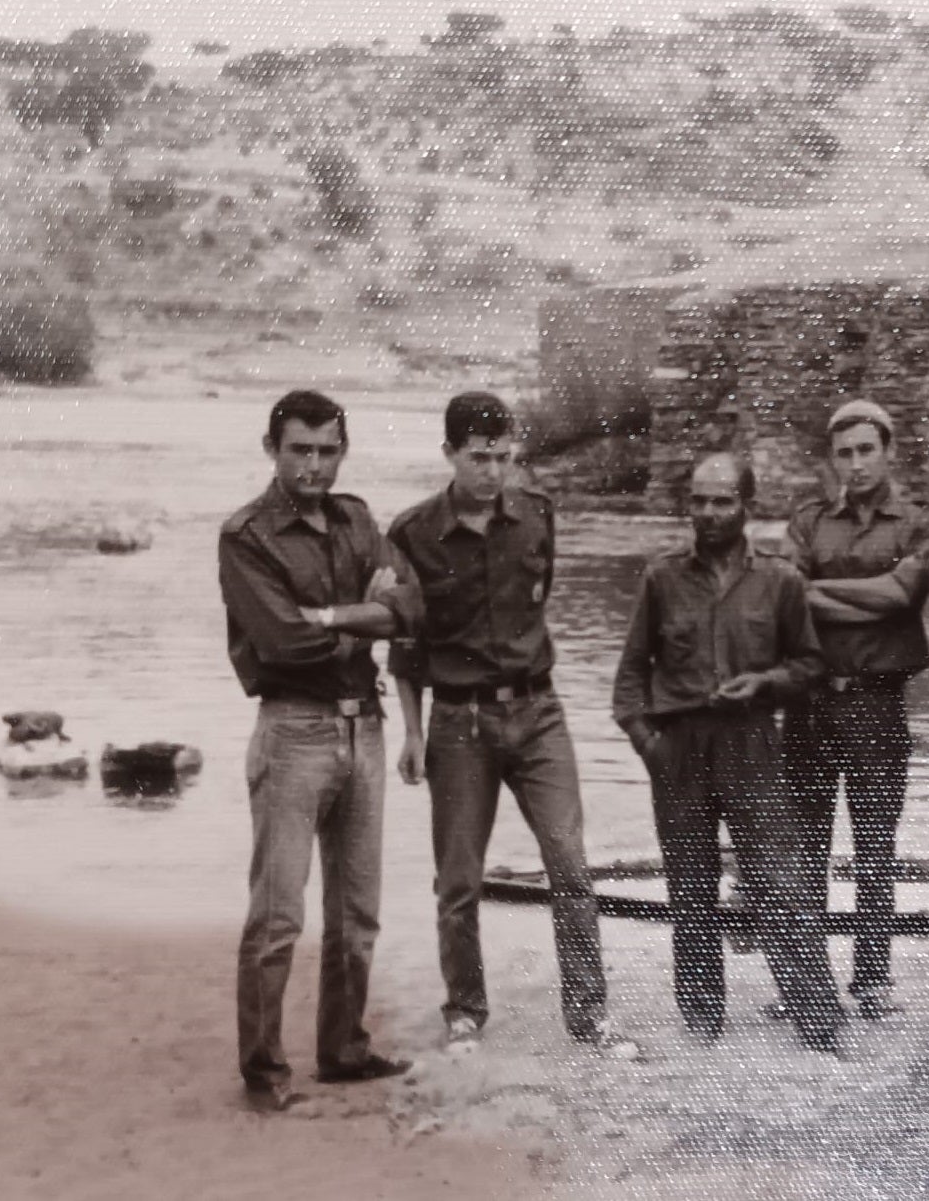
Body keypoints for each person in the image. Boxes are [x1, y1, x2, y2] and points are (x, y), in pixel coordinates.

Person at [386, 392, 638, 1059]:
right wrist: (411, 733)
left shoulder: (536, 517)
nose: (492, 471)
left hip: (538, 712)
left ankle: (588, 1016)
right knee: (458, 878)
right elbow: (406, 645)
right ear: (449, 454)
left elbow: (537, 602)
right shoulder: (411, 533)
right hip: (457, 722)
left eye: (503, 457)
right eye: (478, 458)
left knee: (570, 865)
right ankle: (464, 1011)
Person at [218, 389, 420, 1113]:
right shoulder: (246, 535)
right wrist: (370, 620)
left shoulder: (358, 519)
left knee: (357, 909)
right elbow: (282, 641)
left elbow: (413, 610)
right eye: (300, 449)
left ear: (343, 451)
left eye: (327, 449)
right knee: (278, 914)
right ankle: (265, 1069)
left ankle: (343, 1050)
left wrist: (337, 617)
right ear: (272, 448)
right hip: (293, 730)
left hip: (364, 727)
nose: (313, 464)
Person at [612, 452, 846, 1053]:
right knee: (690, 892)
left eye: (722, 501)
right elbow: (630, 678)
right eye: (698, 500)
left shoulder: (781, 580)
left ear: (747, 505)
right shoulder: (661, 578)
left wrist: (764, 683)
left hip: (752, 744)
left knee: (780, 885)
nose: (708, 513)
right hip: (679, 749)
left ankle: (819, 1028)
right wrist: (648, 745)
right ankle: (702, 1028)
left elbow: (812, 665)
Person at [783, 400, 929, 1021]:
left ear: (889, 451)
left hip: (878, 704)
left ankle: (872, 982)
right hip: (812, 701)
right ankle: (809, 982)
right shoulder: (810, 521)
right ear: (833, 459)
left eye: (866, 450)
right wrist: (872, 600)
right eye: (844, 453)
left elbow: (906, 594)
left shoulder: (917, 522)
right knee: (806, 846)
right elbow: (785, 598)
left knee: (876, 849)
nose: (856, 463)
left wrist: (821, 592)